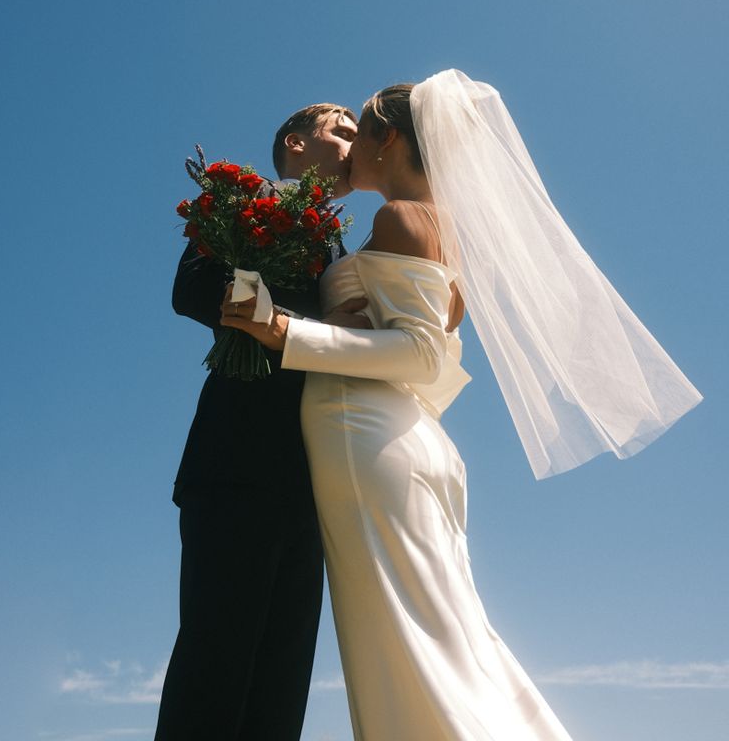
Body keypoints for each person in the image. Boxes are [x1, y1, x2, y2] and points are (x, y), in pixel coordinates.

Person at [223, 72, 702, 741]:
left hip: (367, 439)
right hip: (407, 439)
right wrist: (353, 328)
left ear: (390, 142)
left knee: (412, 654)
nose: (353, 143)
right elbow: (436, 356)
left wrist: (284, 331)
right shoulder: (447, 232)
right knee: (449, 642)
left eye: (361, 130)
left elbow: (418, 354)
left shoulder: (399, 217)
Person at [155, 103, 360, 741]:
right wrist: (271, 324)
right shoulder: (253, 202)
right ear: (296, 145)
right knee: (217, 664)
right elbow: (191, 290)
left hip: (313, 478)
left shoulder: (343, 242)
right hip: (237, 461)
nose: (357, 141)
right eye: (342, 129)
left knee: (283, 680)